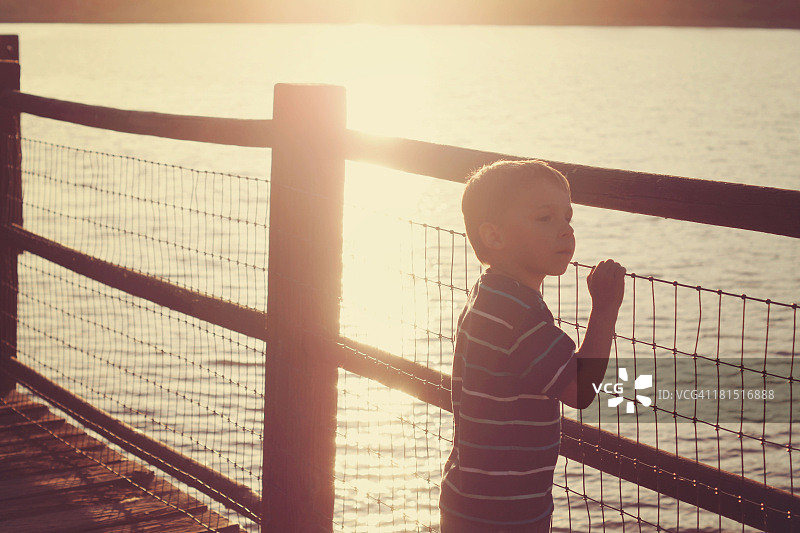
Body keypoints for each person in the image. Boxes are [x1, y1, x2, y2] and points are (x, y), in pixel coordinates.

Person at [439, 160, 626, 532]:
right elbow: (578, 388)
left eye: (568, 218)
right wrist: (605, 309)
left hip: (469, 498)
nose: (565, 231)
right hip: (506, 513)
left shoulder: (489, 293)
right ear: (494, 236)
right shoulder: (518, 314)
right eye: (545, 219)